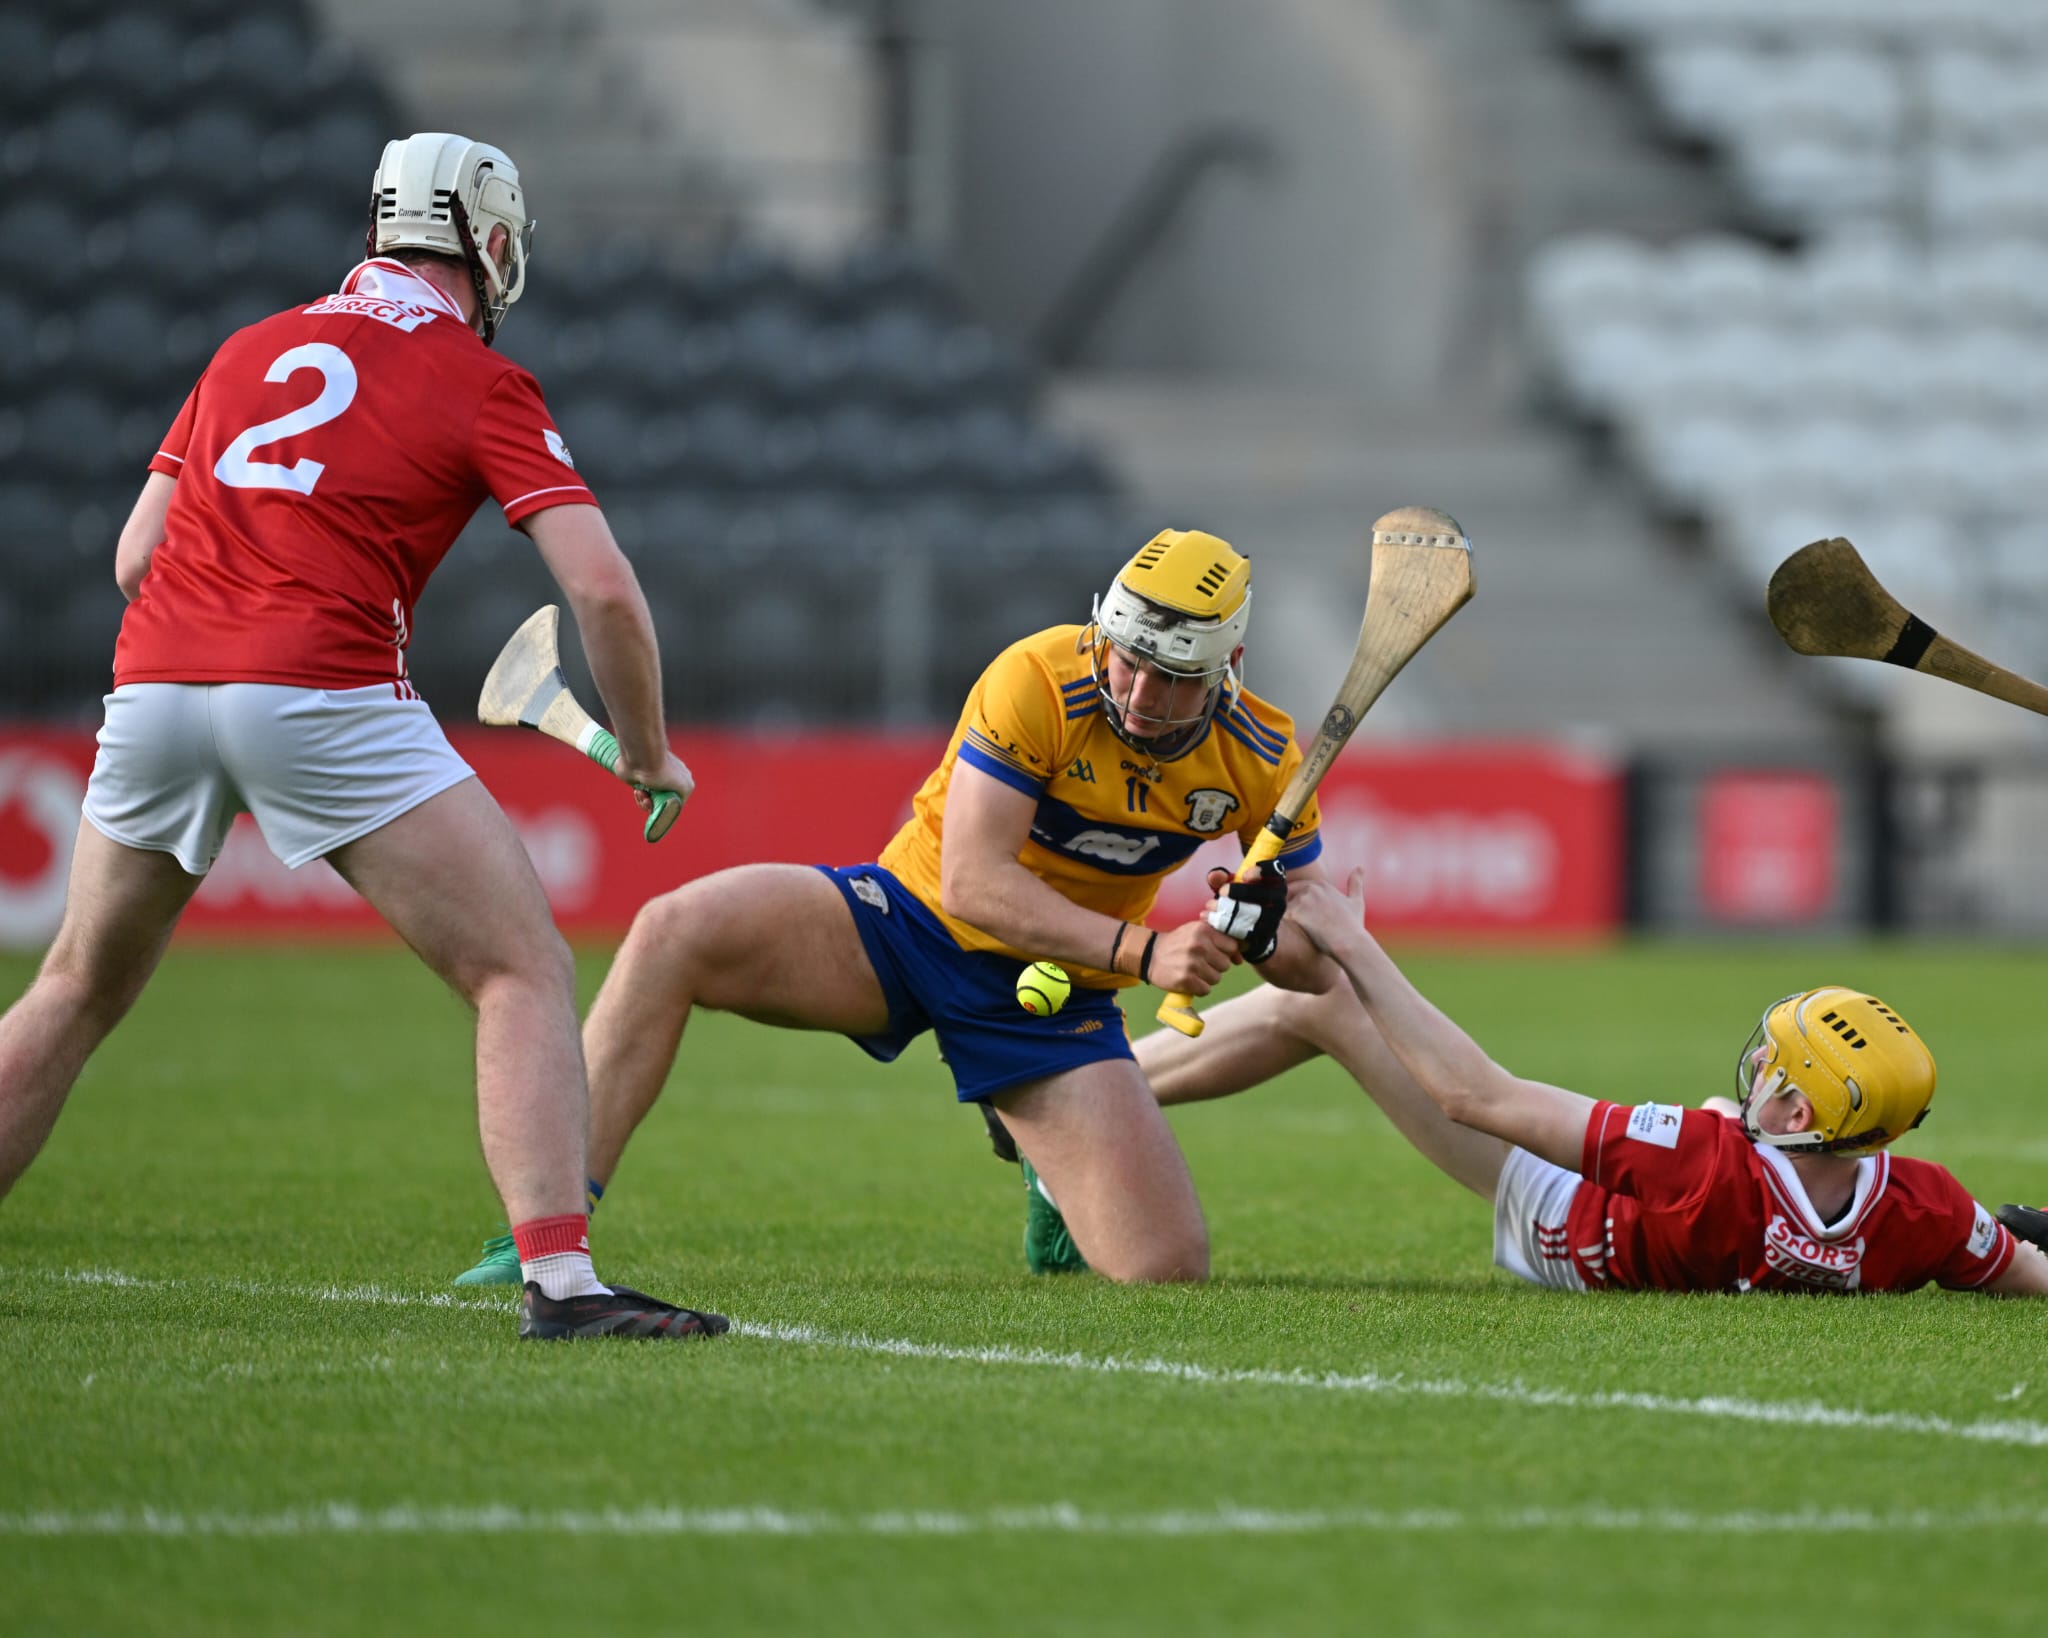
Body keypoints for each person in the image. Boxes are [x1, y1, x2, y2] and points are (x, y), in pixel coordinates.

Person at [0, 132, 725, 1341]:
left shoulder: (247, 348)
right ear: (491, 243)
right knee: (519, 969)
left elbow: (137, 558)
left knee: (73, 984)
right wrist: (645, 749)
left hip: (158, 686)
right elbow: (600, 590)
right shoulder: (481, 378)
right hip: (320, 687)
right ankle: (559, 1284)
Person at [454, 527, 1339, 1286]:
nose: (1141, 697)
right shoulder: (1036, 677)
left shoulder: (1262, 755)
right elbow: (974, 884)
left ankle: (1041, 1164)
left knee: (1166, 1269)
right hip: (905, 924)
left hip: (1050, 997)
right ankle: (548, 1236)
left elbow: (1313, 960)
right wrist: (1146, 953)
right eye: (1131, 661)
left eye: (1174, 679)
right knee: (673, 931)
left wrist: (1262, 928)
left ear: (1231, 667)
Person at [1168, 868, 2047, 1296]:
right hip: (1707, 1215)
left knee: (1320, 1003)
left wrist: (1355, 945)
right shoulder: (1929, 1213)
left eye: (1778, 1070)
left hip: (1563, 1211)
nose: (1760, 1071)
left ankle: (1086, 1080)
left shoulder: (1704, 1160)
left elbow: (1477, 1097)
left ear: (1799, 1109)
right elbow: (2024, 1271)